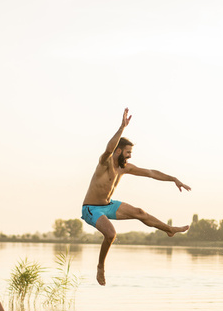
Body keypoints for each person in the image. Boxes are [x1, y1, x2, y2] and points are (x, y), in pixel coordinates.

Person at [82, 108, 191, 286]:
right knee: (111, 234)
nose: (130, 156)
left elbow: (150, 173)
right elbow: (108, 148)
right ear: (118, 151)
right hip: (91, 208)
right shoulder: (105, 162)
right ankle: (100, 267)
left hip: (108, 205)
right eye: (127, 152)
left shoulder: (125, 168)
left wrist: (173, 179)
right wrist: (122, 127)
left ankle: (169, 230)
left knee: (140, 212)